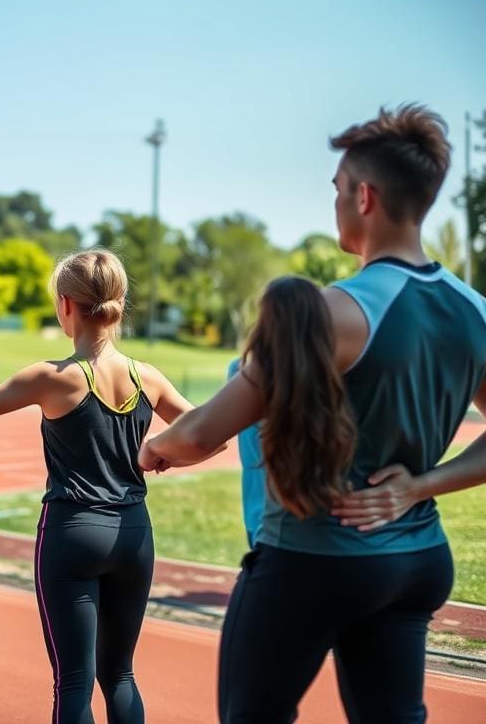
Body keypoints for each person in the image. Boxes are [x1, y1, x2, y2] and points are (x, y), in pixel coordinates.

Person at [140, 104, 486, 723]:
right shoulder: (474, 311)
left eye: (337, 189)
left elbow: (199, 434)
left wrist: (152, 449)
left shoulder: (330, 313)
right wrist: (418, 487)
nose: (334, 202)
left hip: (312, 562)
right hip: (417, 562)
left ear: (365, 198)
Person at [0, 249, 204, 724]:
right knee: (120, 674)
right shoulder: (148, 378)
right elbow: (208, 437)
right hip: (133, 535)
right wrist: (158, 452)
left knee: (74, 682)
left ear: (66, 305)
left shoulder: (51, 378)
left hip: (73, 532)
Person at [226, 358, 265, 547]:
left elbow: (199, 438)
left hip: (264, 520)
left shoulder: (244, 367)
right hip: (261, 518)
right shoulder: (243, 367)